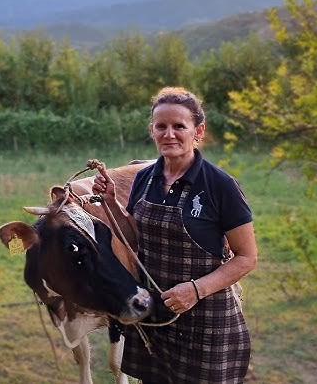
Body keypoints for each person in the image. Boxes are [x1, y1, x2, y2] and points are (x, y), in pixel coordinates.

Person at [92, 87, 258, 383]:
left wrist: (195, 290)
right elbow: (132, 238)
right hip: (156, 316)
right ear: (152, 131)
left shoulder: (221, 186)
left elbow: (246, 258)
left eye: (179, 126)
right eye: (162, 126)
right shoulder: (144, 178)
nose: (169, 134)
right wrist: (110, 202)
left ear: (198, 131)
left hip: (207, 324)